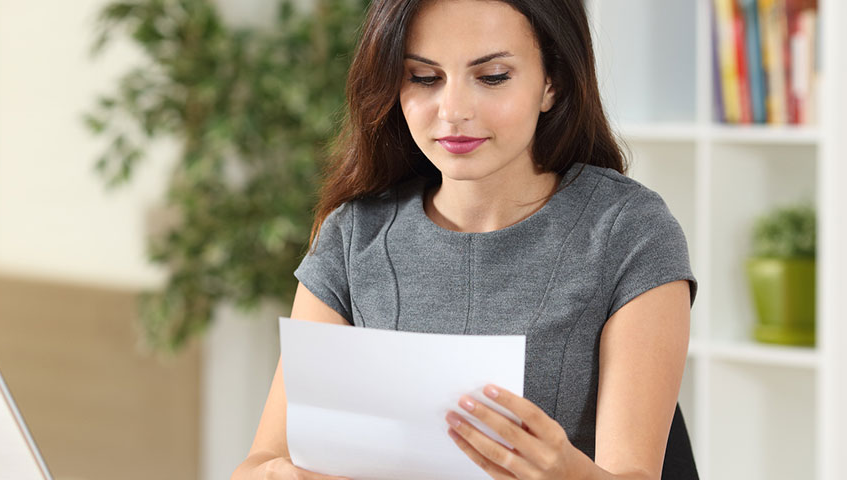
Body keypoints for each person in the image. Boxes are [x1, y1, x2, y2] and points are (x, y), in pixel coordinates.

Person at [233, 0, 697, 478]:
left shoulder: (630, 232)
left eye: (493, 76)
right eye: (424, 78)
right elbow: (260, 460)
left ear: (551, 82)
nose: (453, 111)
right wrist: (276, 474)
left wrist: (567, 473)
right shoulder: (353, 236)